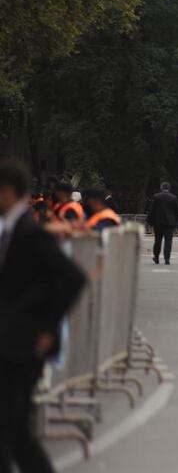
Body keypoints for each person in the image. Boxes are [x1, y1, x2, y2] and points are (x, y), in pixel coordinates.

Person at [0, 158, 86, 473]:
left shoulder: (29, 233)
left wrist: (48, 326)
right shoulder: (16, 230)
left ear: (8, 191)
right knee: (14, 434)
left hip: (22, 344)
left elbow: (73, 278)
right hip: (13, 341)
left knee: (11, 431)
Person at [147, 181, 178, 265]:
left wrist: (150, 221)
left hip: (158, 222)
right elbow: (177, 211)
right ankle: (167, 259)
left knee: (158, 240)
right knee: (168, 241)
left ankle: (156, 257)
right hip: (170, 223)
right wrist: (176, 222)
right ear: (169, 188)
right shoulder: (174, 198)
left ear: (161, 188)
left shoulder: (156, 197)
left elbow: (152, 210)